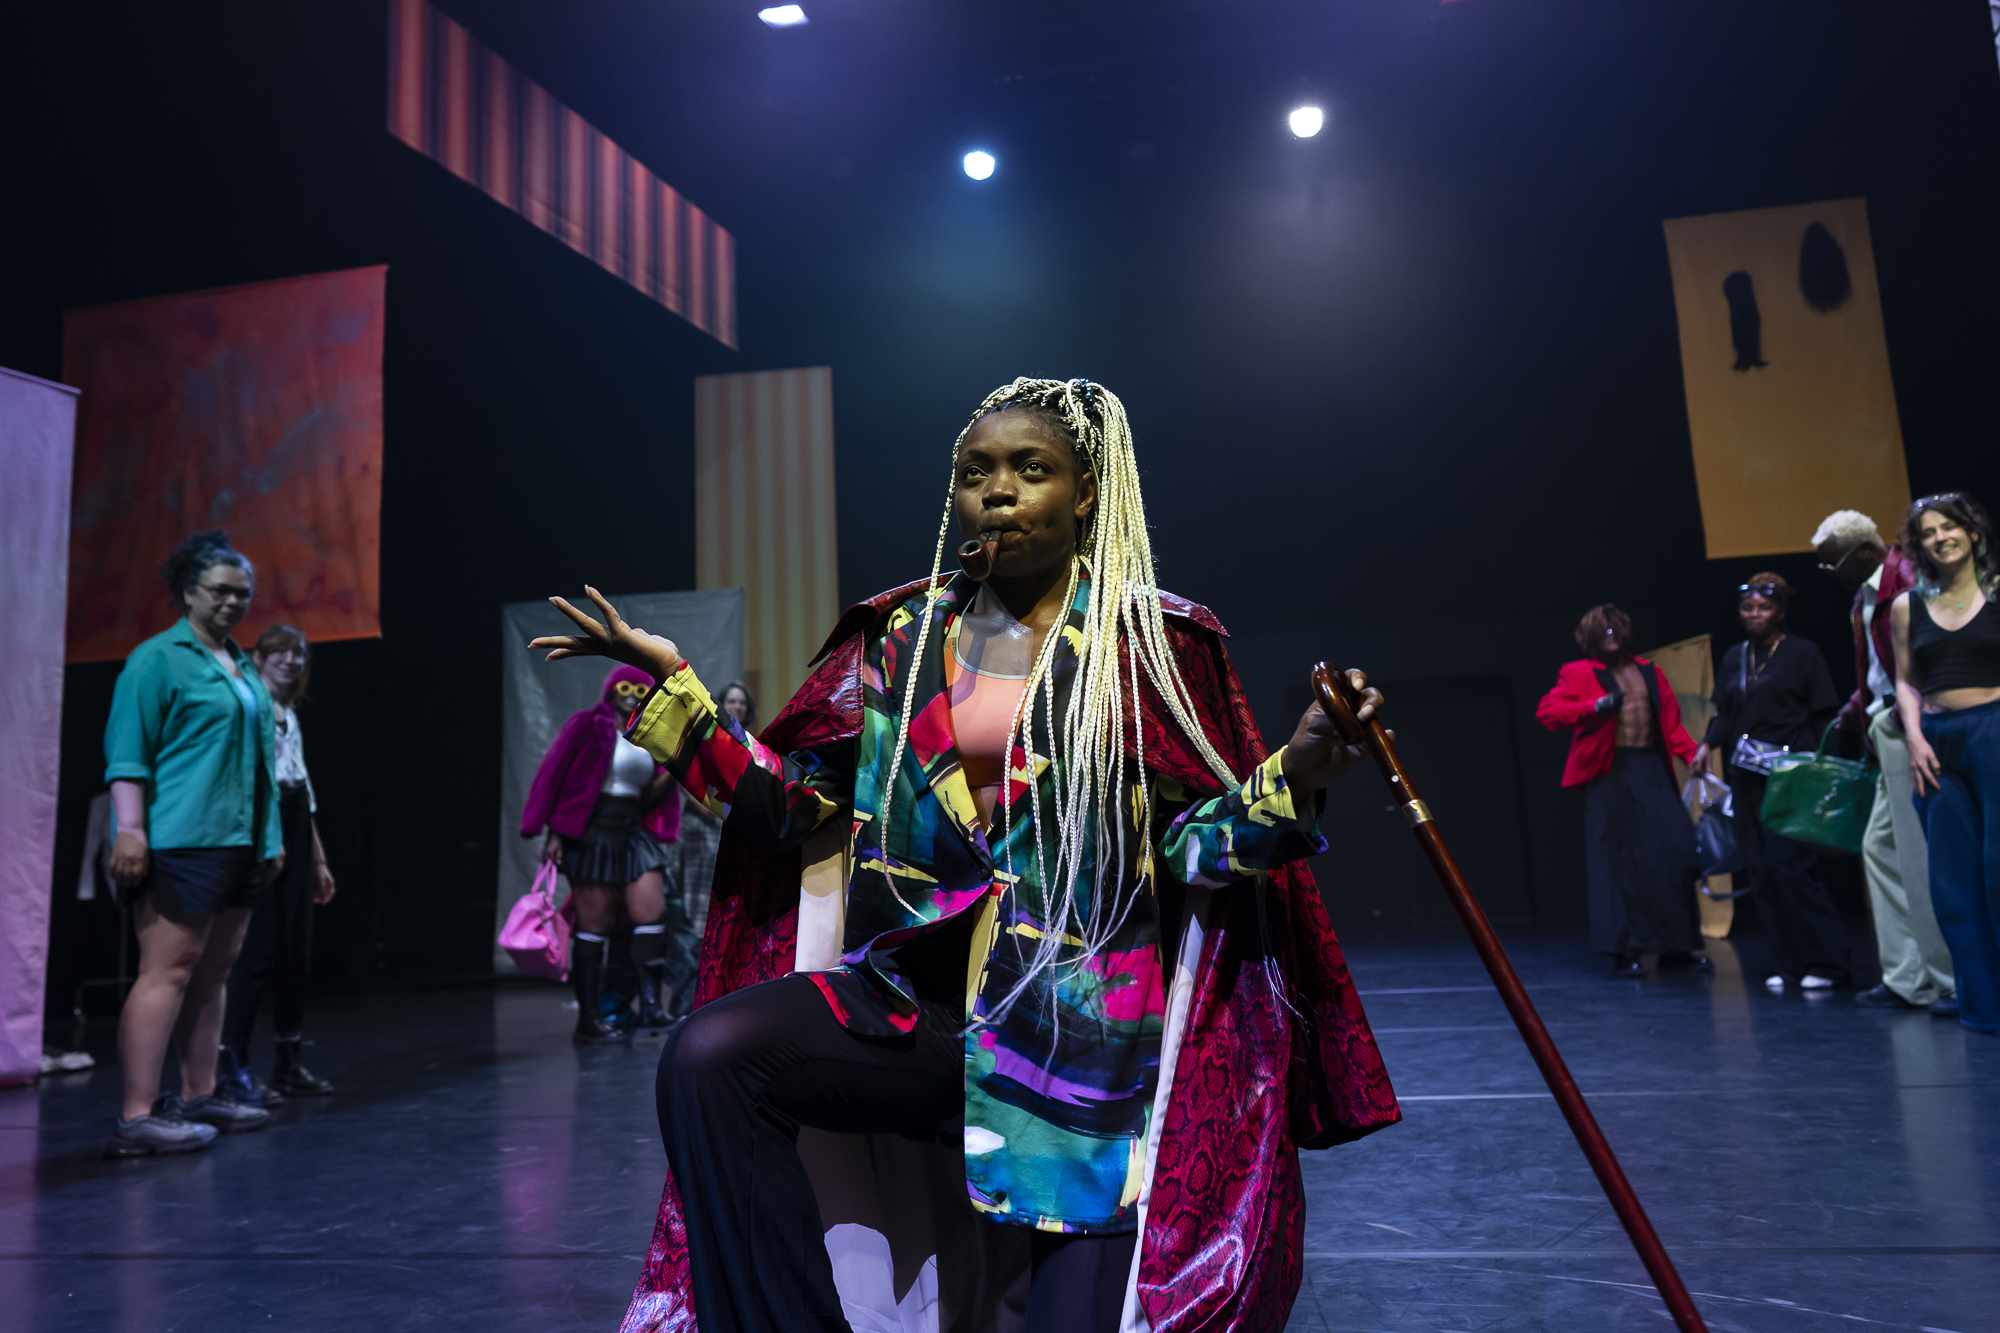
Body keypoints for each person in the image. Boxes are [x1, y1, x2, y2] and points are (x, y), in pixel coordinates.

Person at [531, 378, 1400, 1333]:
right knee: (710, 1060)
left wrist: (1298, 772)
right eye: (975, 471)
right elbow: (791, 810)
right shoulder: (902, 639)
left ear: (1087, 494)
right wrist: (678, 696)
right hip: (912, 1007)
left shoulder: (1147, 647)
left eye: (1032, 469)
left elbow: (1192, 850)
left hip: (1075, 1050)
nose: (998, 490)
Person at [102, 531, 280, 1156]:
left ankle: (200, 1094)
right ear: (187, 592)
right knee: (168, 971)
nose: (233, 602)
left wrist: (270, 838)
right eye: (220, 591)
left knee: (214, 970)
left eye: (243, 593)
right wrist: (131, 830)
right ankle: (136, 1116)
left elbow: (262, 762)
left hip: (239, 840)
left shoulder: (240, 663)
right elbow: (128, 753)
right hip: (181, 839)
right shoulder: (156, 659)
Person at [1811, 510, 1955, 1013]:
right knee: (1880, 847)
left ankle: (1947, 979)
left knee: (1916, 856)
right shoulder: (1865, 596)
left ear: (1867, 552)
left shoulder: (1905, 582)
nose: (1828, 573)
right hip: (1884, 725)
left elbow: (1928, 653)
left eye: (1832, 563)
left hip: (1908, 727)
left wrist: (1903, 710)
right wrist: (1860, 701)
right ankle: (1907, 976)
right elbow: (1880, 664)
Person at [522, 664, 699, 1041]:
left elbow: (647, 796)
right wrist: (553, 832)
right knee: (595, 926)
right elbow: (555, 773)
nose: (631, 694)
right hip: (593, 831)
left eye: (640, 688)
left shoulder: (647, 735)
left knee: (651, 913)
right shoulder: (587, 724)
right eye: (624, 687)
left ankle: (650, 1007)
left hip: (633, 830)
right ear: (610, 690)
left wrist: (673, 765)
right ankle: (588, 1021)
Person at [1692, 573, 1849, 991]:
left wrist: (1825, 773)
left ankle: (1828, 963)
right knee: (1760, 871)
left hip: (1791, 778)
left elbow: (1826, 715)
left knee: (1790, 867)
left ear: (1780, 611)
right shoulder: (1736, 657)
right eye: (1748, 608)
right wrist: (1706, 745)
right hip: (1747, 779)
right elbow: (1725, 714)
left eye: (1764, 607)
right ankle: (1791, 966)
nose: (1755, 614)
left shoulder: (1801, 652)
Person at [1536, 604, 1707, 976]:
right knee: (1615, 863)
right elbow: (1548, 712)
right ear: (1590, 638)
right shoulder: (1577, 672)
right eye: (1603, 631)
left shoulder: (1649, 672)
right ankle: (1623, 951)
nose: (1610, 636)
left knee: (1674, 852)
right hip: (1609, 771)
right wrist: (1595, 706)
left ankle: (1677, 948)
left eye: (1615, 630)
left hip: (1651, 767)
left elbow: (1670, 724)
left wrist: (1691, 754)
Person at [1891, 492, 2000, 1035]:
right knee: (1954, 882)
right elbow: (1905, 681)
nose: (1940, 538)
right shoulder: (1907, 606)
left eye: (1949, 527)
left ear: (1973, 533)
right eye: (1929, 532)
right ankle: (1984, 1008)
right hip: (1936, 743)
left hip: (1993, 729)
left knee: (1997, 869)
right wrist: (1914, 737)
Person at [216, 625, 339, 1106]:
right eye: (281, 652)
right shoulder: (250, 708)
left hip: (294, 819)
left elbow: (303, 789)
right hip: (259, 824)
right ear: (259, 658)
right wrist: (269, 839)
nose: (291, 660)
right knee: (255, 950)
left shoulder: (290, 714)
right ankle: (232, 1066)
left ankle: (288, 1063)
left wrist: (319, 858)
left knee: (295, 950)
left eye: (299, 654)